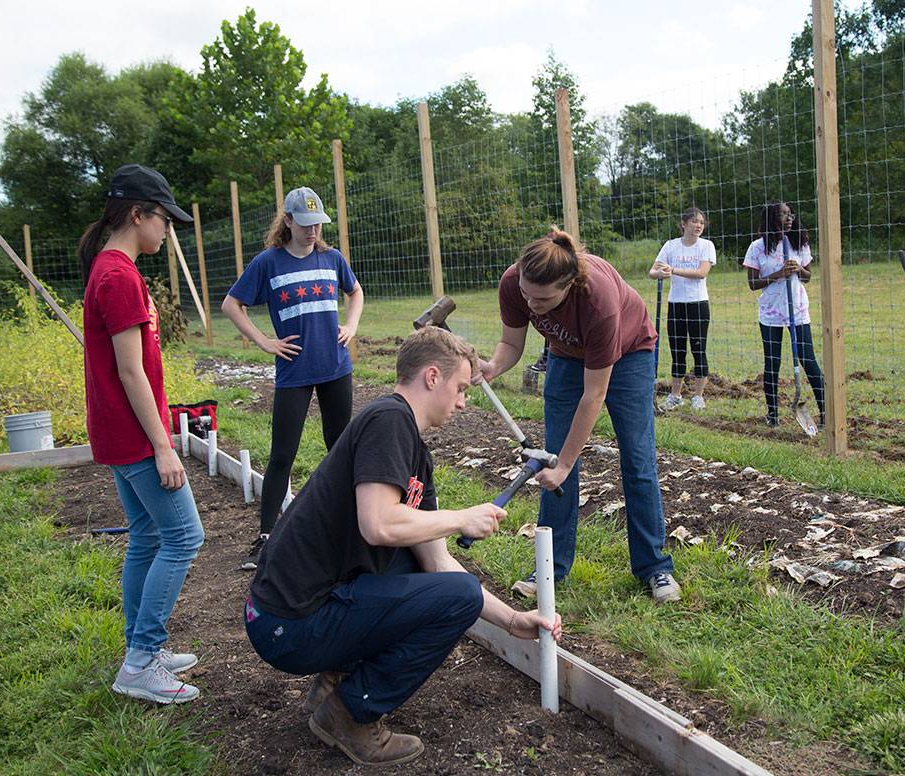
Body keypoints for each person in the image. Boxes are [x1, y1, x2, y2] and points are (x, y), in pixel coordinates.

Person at [245, 326, 562, 766]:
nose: (463, 402)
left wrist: (510, 620)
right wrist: (460, 518)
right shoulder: (389, 420)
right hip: (288, 623)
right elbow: (377, 524)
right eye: (461, 388)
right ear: (432, 376)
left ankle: (336, 676)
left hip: (299, 611)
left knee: (426, 571)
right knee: (452, 595)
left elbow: (437, 561)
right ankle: (350, 714)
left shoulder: (415, 454)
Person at [481, 228, 680, 604]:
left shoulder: (597, 301)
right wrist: (492, 366)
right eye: (526, 293)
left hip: (630, 353)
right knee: (551, 464)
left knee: (637, 461)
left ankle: (655, 566)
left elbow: (594, 394)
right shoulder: (514, 282)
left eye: (542, 299)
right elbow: (511, 343)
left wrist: (567, 464)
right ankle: (549, 568)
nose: (531, 303)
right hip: (567, 357)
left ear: (569, 285)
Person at [80, 164, 205, 704]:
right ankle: (140, 662)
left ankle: (141, 648)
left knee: (148, 537)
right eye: (164, 221)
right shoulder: (119, 277)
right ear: (138, 214)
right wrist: (162, 446)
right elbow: (131, 371)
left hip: (116, 431)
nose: (167, 231)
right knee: (184, 537)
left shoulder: (111, 270)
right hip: (134, 438)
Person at [221, 187, 364, 570]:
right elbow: (231, 304)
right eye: (304, 224)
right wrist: (264, 341)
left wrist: (350, 325)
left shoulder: (332, 258)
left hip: (336, 367)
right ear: (287, 221)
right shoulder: (268, 263)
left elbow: (356, 291)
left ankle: (347, 528)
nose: (312, 231)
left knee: (339, 449)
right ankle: (266, 535)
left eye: (317, 224)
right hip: (293, 372)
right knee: (282, 454)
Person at [742, 202, 826, 428]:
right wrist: (779, 273)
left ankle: (826, 413)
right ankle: (773, 415)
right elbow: (752, 283)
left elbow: (808, 277)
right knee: (773, 363)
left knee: (808, 360)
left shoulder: (798, 242)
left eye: (790, 214)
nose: (789, 218)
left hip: (797, 309)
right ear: (772, 218)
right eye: (783, 214)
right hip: (771, 312)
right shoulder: (757, 247)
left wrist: (799, 269)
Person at [649, 207, 716, 411]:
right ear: (684, 224)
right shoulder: (670, 246)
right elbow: (652, 271)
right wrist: (660, 273)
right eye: (694, 221)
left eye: (701, 223)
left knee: (698, 349)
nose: (698, 226)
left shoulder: (706, 246)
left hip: (698, 304)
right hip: (676, 304)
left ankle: (698, 396)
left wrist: (673, 270)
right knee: (677, 350)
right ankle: (675, 395)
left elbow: (702, 272)